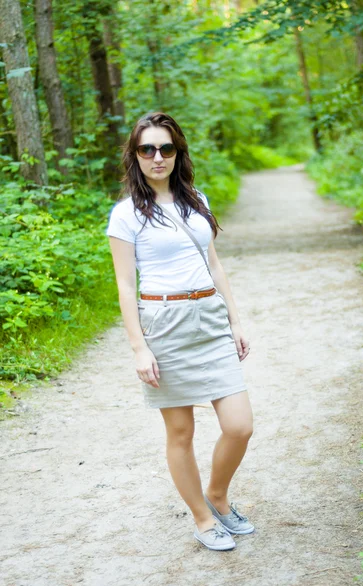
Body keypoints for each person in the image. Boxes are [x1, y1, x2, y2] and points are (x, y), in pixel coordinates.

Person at [106, 112, 254, 551]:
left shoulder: (196, 199)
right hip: (164, 324)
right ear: (135, 155)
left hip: (208, 318)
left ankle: (218, 494)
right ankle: (204, 518)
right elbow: (124, 284)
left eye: (166, 148)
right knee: (181, 432)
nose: (157, 157)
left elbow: (213, 264)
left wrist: (235, 319)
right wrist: (138, 348)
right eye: (147, 149)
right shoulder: (126, 214)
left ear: (177, 153)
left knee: (240, 425)